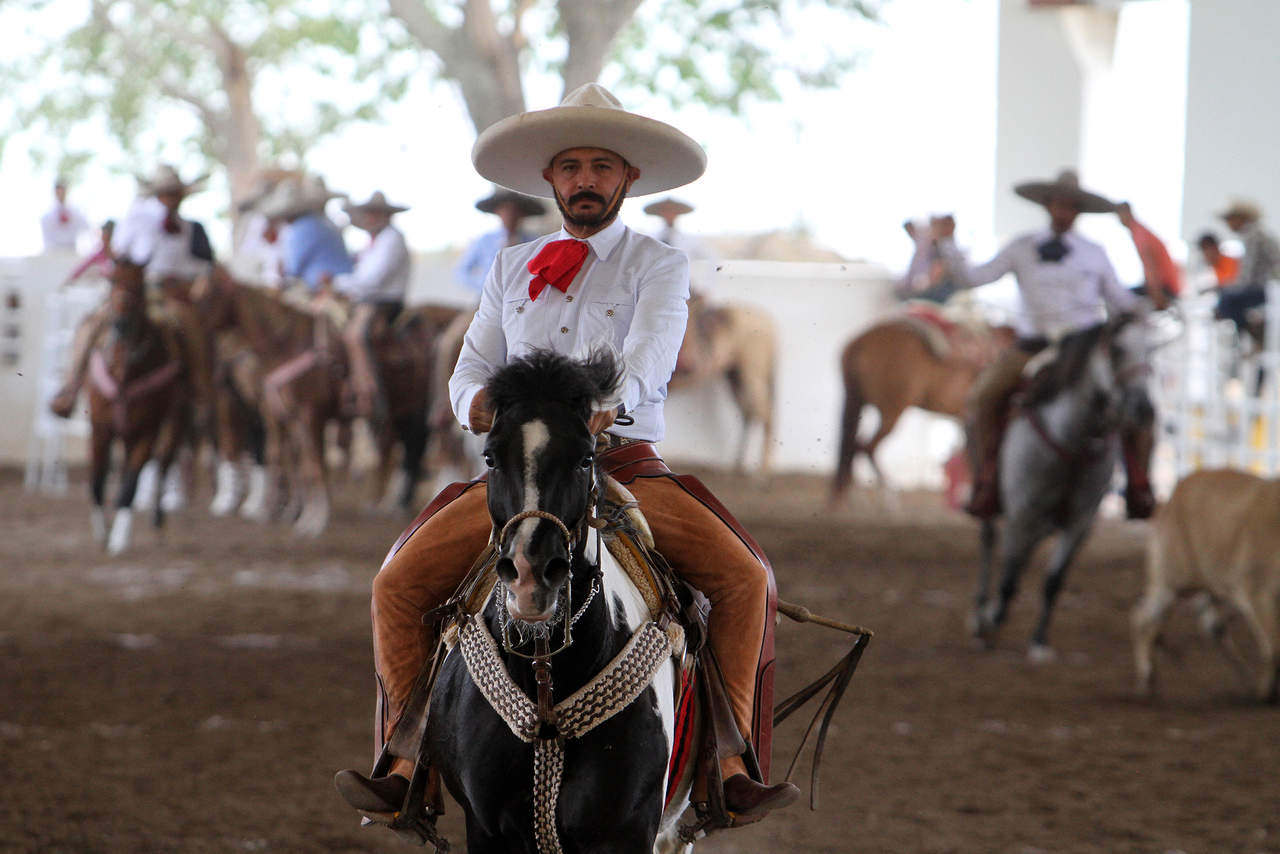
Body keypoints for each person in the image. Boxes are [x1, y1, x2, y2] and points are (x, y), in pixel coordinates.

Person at [334, 82, 800, 820]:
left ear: (628, 180)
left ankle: (728, 763)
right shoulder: (509, 266)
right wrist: (473, 405)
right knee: (397, 583)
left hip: (618, 465)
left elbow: (651, 356)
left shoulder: (658, 265)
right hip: (522, 472)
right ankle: (407, 761)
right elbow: (469, 365)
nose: (586, 179)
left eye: (602, 167)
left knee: (745, 578)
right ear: (550, 180)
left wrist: (603, 407)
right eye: (572, 166)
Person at [932, 168, 1154, 520]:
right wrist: (947, 245)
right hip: (1031, 347)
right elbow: (973, 278)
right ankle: (986, 483)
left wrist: (1145, 306)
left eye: (1070, 207)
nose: (1064, 212)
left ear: (1078, 211)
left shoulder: (1095, 253)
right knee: (981, 398)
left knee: (1136, 402)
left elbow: (1120, 299)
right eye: (1058, 205)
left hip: (1083, 348)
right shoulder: (1021, 247)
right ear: (1048, 206)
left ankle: (1140, 487)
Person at [49, 166, 214, 420]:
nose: (172, 199)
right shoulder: (138, 220)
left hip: (173, 293)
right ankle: (71, 388)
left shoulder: (190, 227)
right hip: (136, 288)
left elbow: (203, 263)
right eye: (167, 194)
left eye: (175, 194)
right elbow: (119, 253)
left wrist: (199, 280)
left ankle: (202, 396)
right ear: (158, 195)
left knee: (192, 328)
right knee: (92, 325)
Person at [327, 191, 412, 419]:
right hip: (366, 299)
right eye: (368, 214)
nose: (369, 218)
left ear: (385, 215)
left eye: (374, 214)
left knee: (355, 334)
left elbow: (372, 280)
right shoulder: (373, 243)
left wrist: (338, 283)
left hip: (384, 303)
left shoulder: (393, 239)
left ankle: (368, 391)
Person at [259, 175, 353, 293]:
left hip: (331, 287)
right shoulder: (320, 222)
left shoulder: (301, 229)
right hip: (341, 282)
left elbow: (293, 269)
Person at [454, 187, 545, 295]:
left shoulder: (534, 242)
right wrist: (484, 285)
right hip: (487, 299)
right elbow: (462, 271)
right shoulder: (485, 240)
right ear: (497, 212)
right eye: (505, 209)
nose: (510, 214)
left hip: (523, 299)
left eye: (515, 210)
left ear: (522, 214)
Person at [1213, 199, 1280, 340]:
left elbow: (1247, 276)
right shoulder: (1257, 233)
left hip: (1268, 288)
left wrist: (1224, 286)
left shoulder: (1253, 236)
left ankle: (1254, 338)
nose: (1228, 224)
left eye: (1229, 219)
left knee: (1227, 301)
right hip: (1268, 287)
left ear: (1240, 218)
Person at [1115, 202, 1181, 310]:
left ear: (1127, 213)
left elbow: (1150, 267)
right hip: (1164, 286)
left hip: (1166, 288)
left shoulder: (1140, 234)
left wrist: (1158, 297)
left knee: (1122, 298)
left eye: (1119, 215)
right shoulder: (1139, 231)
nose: (1119, 219)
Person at [898, 214, 960, 304]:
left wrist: (924, 287)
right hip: (933, 289)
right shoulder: (927, 248)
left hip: (941, 292)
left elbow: (937, 271)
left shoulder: (939, 248)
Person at [40, 178, 90, 253]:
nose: (61, 194)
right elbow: (46, 236)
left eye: (63, 191)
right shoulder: (47, 215)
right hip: (54, 250)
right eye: (58, 191)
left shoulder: (76, 212)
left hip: (72, 249)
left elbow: (85, 227)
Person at [63, 220, 115, 284]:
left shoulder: (118, 253)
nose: (103, 237)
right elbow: (82, 267)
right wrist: (71, 279)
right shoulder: (99, 253)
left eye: (106, 234)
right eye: (103, 233)